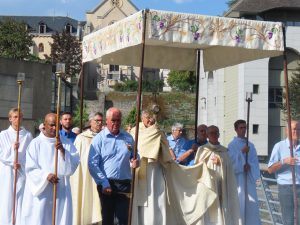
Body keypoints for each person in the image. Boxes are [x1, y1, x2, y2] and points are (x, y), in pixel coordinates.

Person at [21, 113, 80, 225]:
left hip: (61, 189)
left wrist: (63, 151)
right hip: (42, 191)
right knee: (41, 218)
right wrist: (46, 176)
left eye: (57, 125)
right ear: (44, 125)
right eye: (52, 125)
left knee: (59, 218)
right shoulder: (35, 144)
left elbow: (75, 163)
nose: (54, 128)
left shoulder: (65, 142)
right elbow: (30, 168)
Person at [88, 107, 139, 225]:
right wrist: (104, 182)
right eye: (113, 120)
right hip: (107, 184)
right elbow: (92, 164)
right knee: (108, 219)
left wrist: (136, 160)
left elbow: (135, 155)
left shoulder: (128, 137)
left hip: (124, 184)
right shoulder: (99, 139)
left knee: (123, 219)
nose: (116, 123)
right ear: (107, 120)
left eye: (118, 120)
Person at [194, 125, 241, 225]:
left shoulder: (224, 151)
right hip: (208, 185)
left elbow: (230, 166)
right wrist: (202, 164)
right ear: (207, 135)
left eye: (216, 133)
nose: (214, 135)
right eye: (211, 133)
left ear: (219, 135)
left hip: (221, 185)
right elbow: (197, 168)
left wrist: (221, 161)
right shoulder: (202, 150)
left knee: (221, 207)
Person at [0, 108, 33, 225]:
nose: (17, 119)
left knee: (20, 197)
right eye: (15, 117)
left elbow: (30, 155)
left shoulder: (28, 135)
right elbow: (1, 153)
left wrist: (22, 163)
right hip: (7, 172)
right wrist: (12, 149)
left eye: (20, 117)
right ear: (10, 119)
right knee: (7, 198)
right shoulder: (3, 135)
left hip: (21, 171)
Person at [71, 112, 104, 225]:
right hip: (87, 176)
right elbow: (77, 161)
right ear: (90, 122)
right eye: (97, 121)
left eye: (101, 121)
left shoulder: (105, 136)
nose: (99, 123)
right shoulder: (81, 138)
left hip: (103, 176)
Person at [228, 119, 261, 225]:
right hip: (238, 180)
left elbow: (255, 161)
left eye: (245, 127)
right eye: (241, 128)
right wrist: (242, 154)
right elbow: (230, 162)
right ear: (236, 129)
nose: (243, 130)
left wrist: (249, 166)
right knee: (239, 203)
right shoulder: (232, 145)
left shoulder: (251, 145)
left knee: (251, 206)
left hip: (248, 180)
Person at [268, 120, 300, 225]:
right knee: (289, 221)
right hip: (286, 188)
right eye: (294, 129)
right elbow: (270, 169)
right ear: (287, 131)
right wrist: (284, 161)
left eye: (298, 129)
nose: (296, 131)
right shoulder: (279, 146)